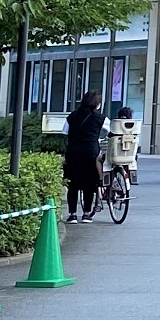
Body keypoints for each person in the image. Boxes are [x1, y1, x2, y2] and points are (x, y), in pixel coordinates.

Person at [64, 90, 106, 222]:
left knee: (72, 184)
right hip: (91, 153)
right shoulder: (101, 118)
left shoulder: (72, 116)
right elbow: (111, 132)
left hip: (73, 153)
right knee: (89, 183)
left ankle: (72, 214)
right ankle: (86, 214)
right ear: (97, 104)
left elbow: (64, 132)